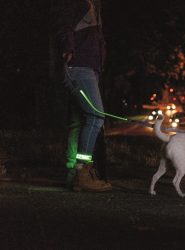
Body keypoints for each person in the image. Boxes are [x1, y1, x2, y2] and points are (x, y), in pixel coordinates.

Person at [56, 0, 111, 192]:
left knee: (79, 122)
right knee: (96, 116)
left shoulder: (93, 5)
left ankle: (75, 174)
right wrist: (68, 48)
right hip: (80, 67)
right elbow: (64, 24)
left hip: (89, 68)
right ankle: (82, 172)